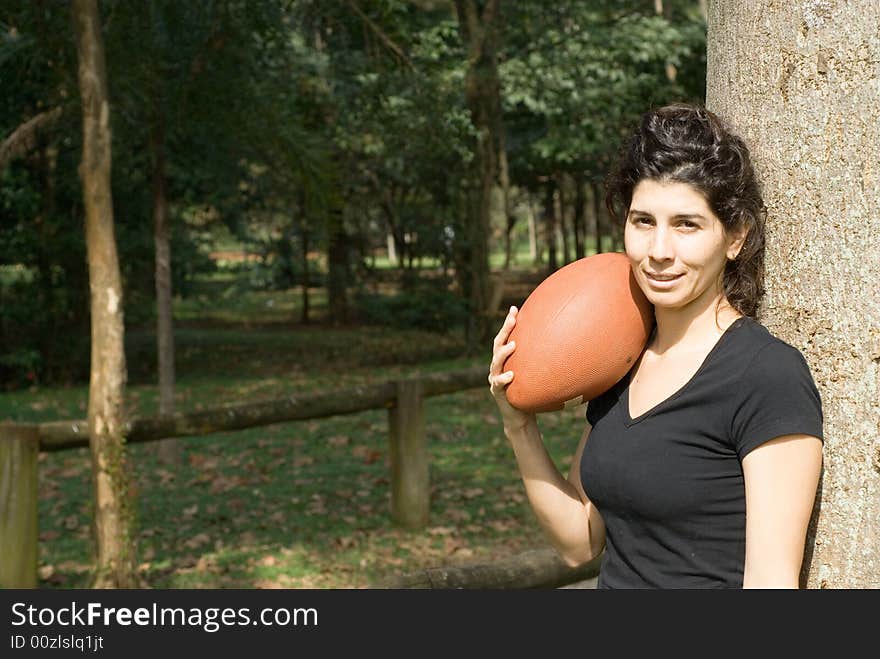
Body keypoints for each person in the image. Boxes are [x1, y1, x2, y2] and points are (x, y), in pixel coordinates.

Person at [487, 102, 824, 589]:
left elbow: (771, 583)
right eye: (643, 221)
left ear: (735, 238)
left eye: (687, 225)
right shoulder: (620, 358)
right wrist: (518, 423)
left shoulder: (766, 375)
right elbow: (578, 541)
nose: (659, 251)